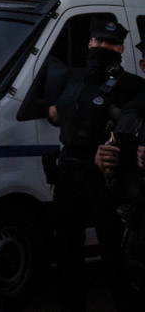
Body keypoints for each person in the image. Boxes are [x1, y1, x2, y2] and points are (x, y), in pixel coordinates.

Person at [48, 18, 145, 311]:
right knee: (67, 248)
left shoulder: (131, 85)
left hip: (106, 175)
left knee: (113, 249)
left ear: (120, 49)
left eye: (110, 43)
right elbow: (55, 112)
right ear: (89, 43)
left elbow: (132, 127)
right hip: (68, 172)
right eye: (98, 41)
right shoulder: (72, 77)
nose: (102, 47)